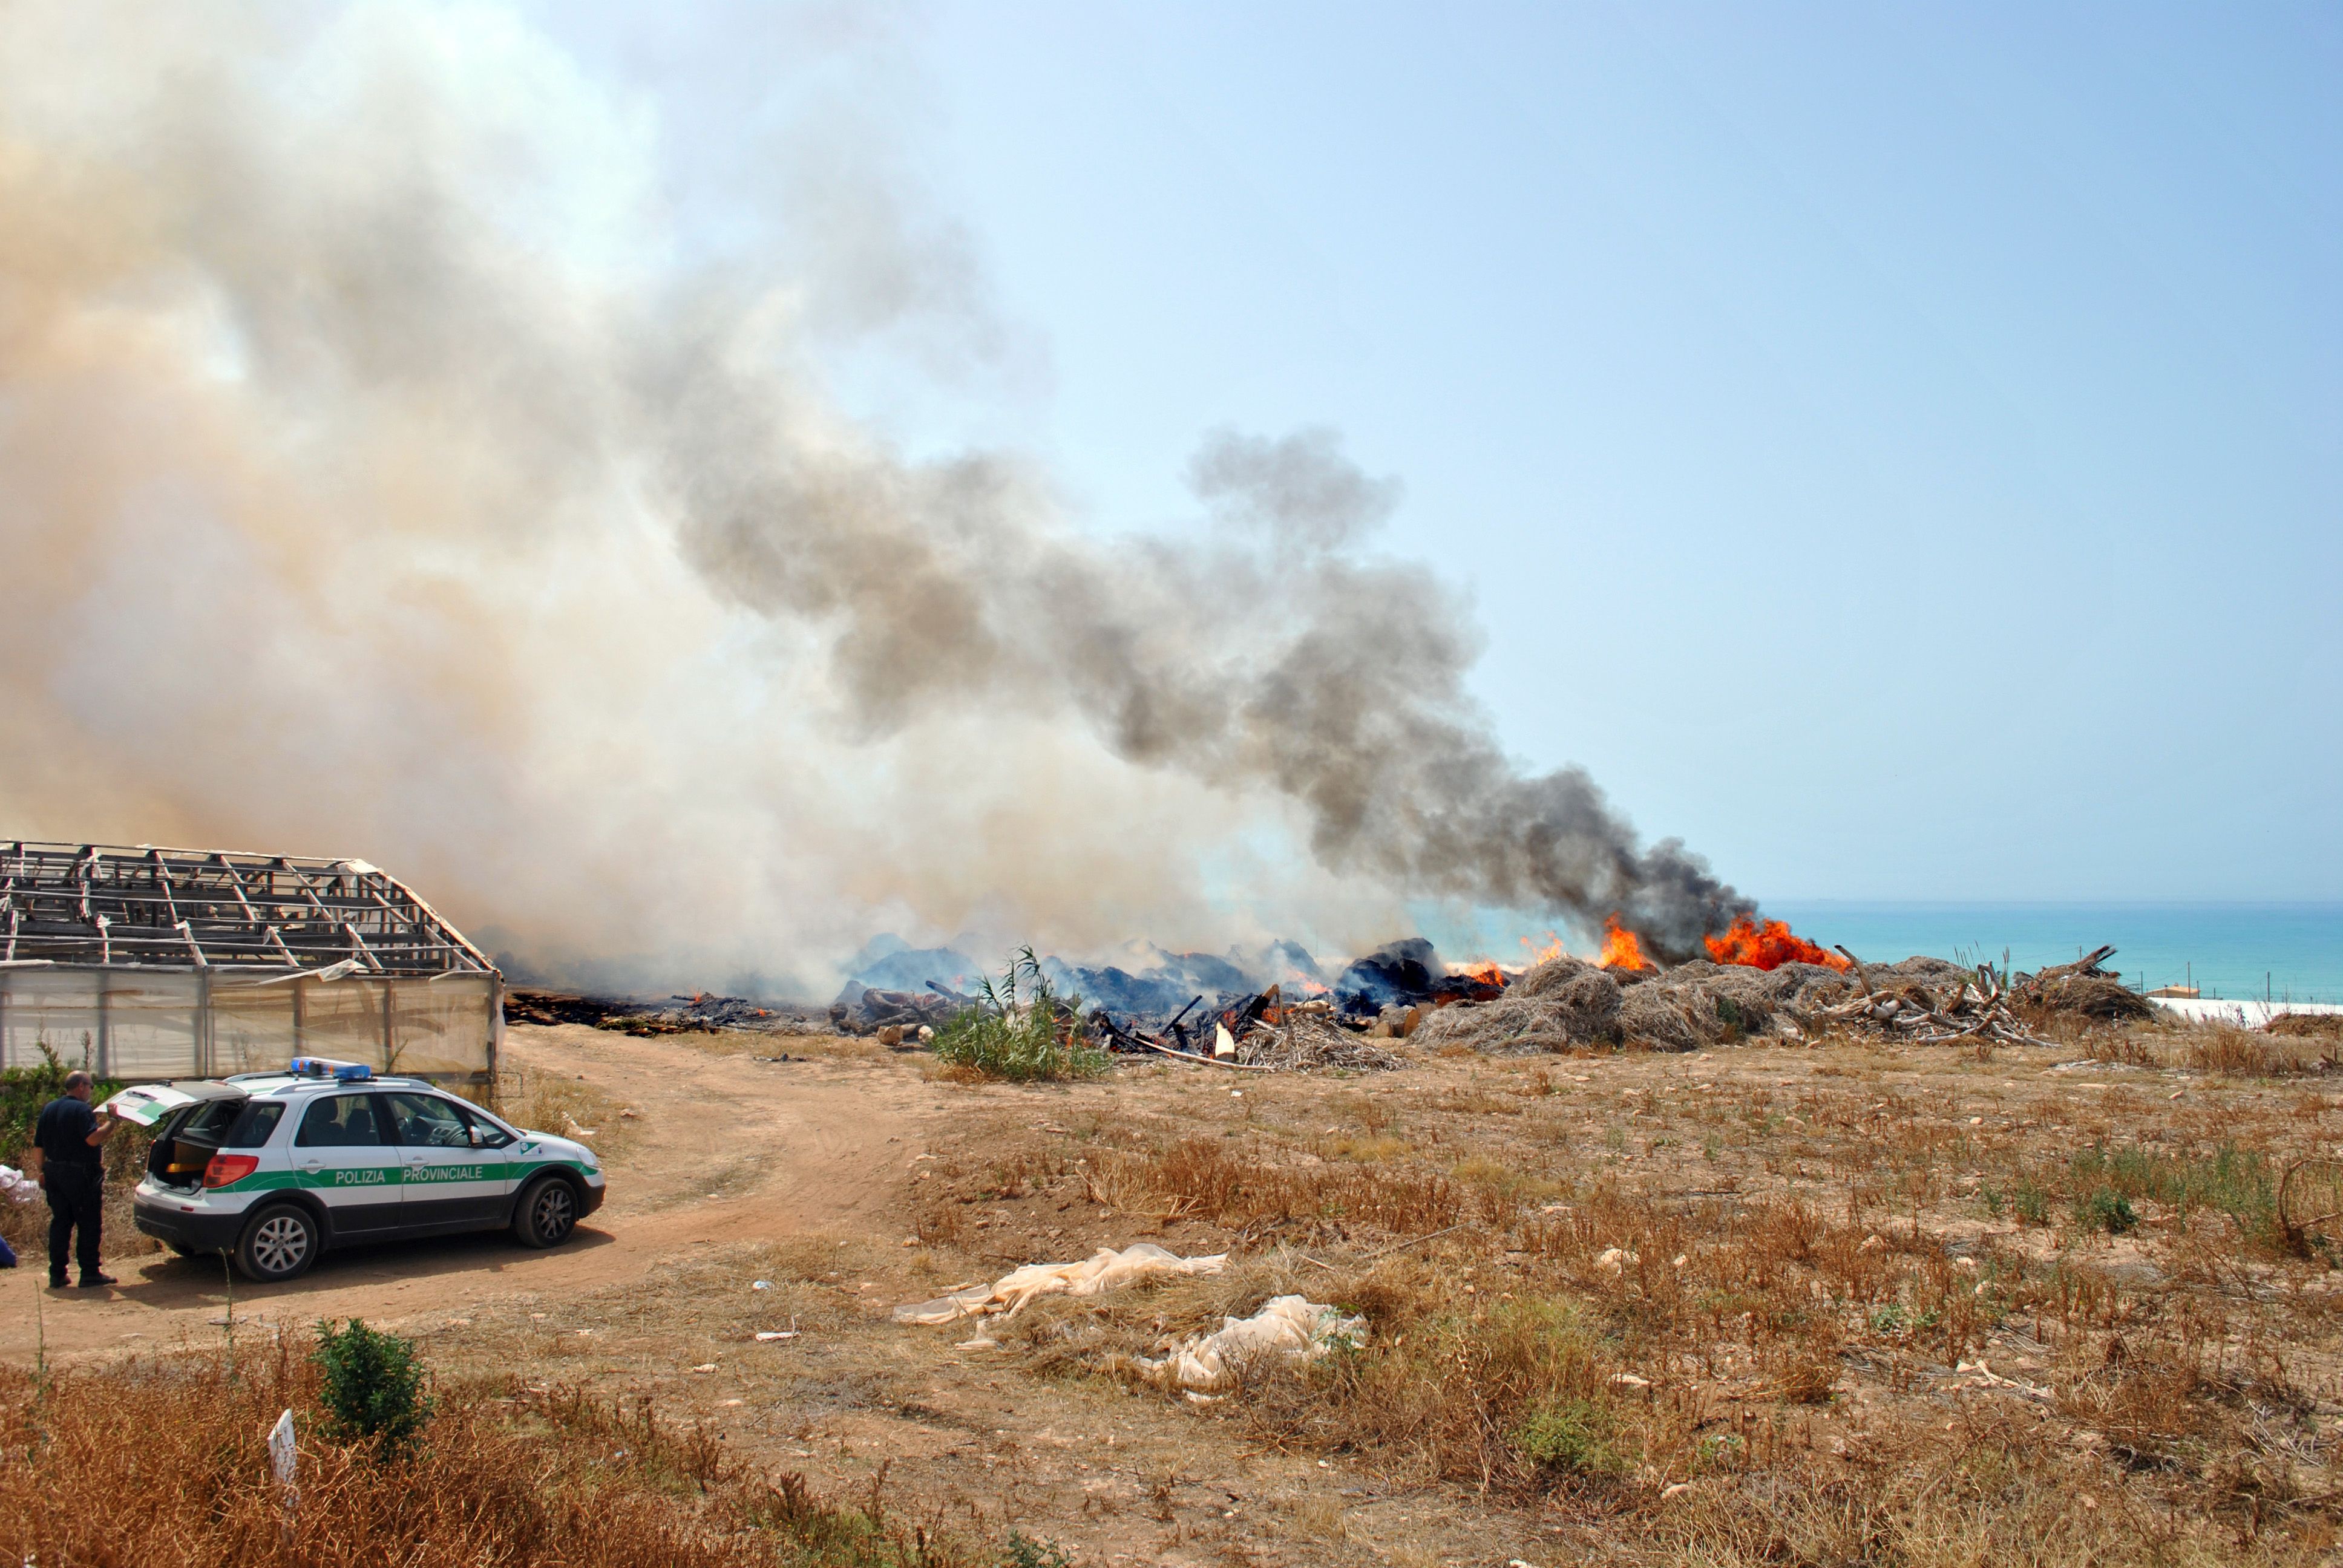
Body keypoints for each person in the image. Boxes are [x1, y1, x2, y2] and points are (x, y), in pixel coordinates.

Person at [34, 1070, 121, 1289]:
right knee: (89, 1223)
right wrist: (112, 1121)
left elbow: (39, 1146)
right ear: (81, 1086)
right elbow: (92, 1139)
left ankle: (57, 1274)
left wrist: (41, 1171)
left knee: (60, 1222)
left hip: (53, 1172)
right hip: (80, 1175)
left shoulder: (49, 1108)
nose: (91, 1091)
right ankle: (90, 1272)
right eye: (91, 1086)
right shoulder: (82, 1109)